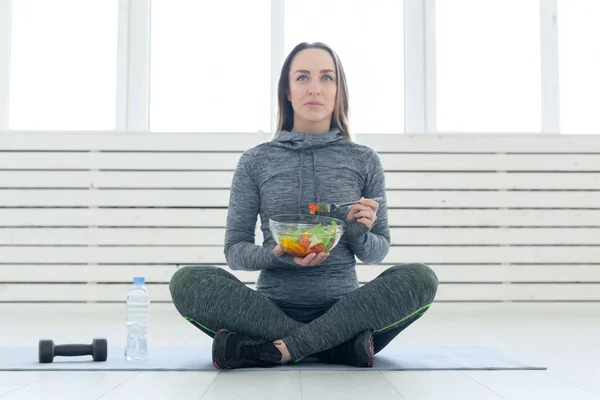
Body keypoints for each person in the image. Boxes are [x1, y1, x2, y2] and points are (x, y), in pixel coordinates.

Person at [169, 42, 438, 370]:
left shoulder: (364, 160)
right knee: (187, 281)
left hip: (349, 313)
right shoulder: (255, 161)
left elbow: (376, 252)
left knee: (420, 277)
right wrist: (275, 255)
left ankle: (277, 350)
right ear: (287, 91)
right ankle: (333, 348)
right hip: (268, 314)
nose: (314, 88)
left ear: (339, 90)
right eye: (302, 78)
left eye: (326, 78)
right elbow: (235, 251)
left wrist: (359, 232)